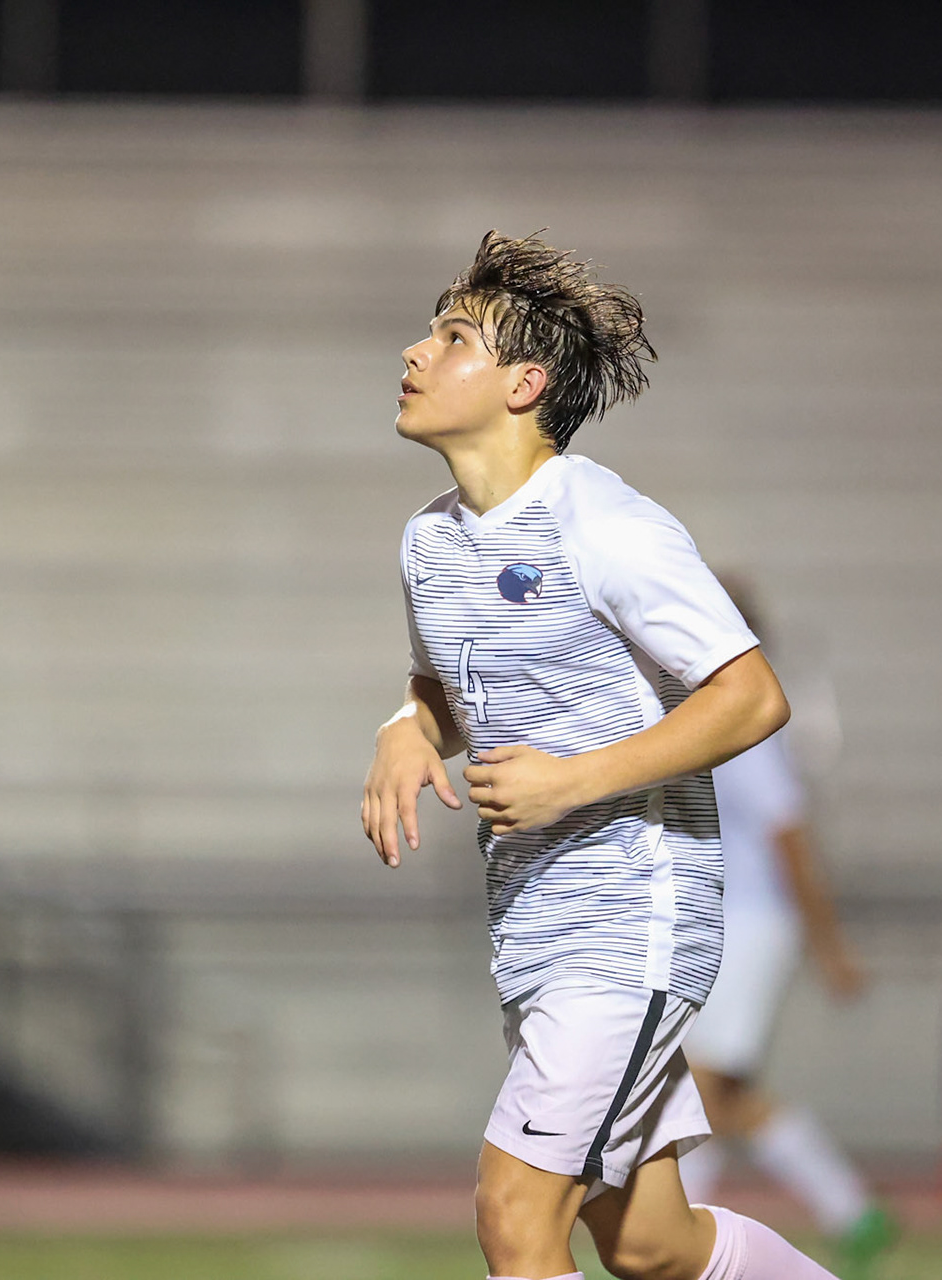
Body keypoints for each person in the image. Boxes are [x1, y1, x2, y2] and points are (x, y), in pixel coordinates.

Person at [361, 231, 836, 1280]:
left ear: (524, 383)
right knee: (656, 1246)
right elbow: (445, 681)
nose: (413, 351)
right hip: (535, 923)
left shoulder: (607, 523)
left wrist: (572, 779)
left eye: (449, 337)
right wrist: (405, 729)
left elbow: (752, 695)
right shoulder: (429, 542)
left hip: (633, 921)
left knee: (514, 1217)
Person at [675, 580, 896, 1280]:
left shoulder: (745, 716)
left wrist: (828, 945)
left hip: (753, 925)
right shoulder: (717, 710)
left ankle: (677, 1242)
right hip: (733, 923)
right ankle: (853, 1214)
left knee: (700, 1088)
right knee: (724, 1094)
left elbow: (790, 840)